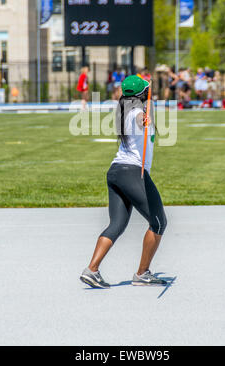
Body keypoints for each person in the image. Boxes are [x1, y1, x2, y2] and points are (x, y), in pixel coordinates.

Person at [80, 75, 167, 289]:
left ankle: (91, 270)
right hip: (132, 172)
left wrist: (149, 100)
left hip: (116, 171)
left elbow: (146, 116)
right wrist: (146, 115)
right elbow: (142, 120)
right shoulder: (137, 114)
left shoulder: (125, 110)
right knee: (158, 222)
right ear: (142, 94)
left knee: (117, 224)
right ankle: (142, 273)